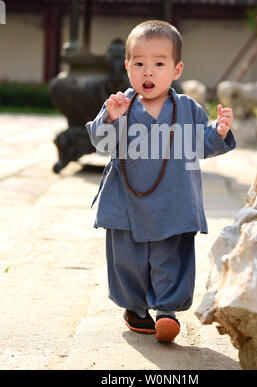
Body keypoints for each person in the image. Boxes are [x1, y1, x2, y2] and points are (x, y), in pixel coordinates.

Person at [85, 20, 236, 343]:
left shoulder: (187, 109)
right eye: (139, 63)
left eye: (158, 63)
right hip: (126, 200)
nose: (148, 72)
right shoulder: (120, 106)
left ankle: (167, 310)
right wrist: (110, 118)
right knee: (129, 258)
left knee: (170, 255)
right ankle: (136, 307)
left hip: (173, 200)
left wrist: (218, 132)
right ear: (127, 67)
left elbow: (201, 143)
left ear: (177, 69)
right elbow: (102, 145)